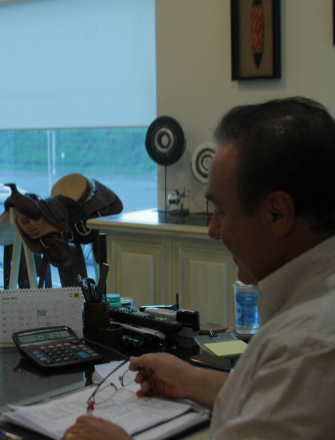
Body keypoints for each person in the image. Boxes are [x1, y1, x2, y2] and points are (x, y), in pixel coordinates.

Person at [62, 97, 335, 439]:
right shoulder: (311, 313)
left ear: (278, 213)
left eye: (221, 211)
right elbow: (283, 403)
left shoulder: (310, 347)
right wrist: (193, 380)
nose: (213, 231)